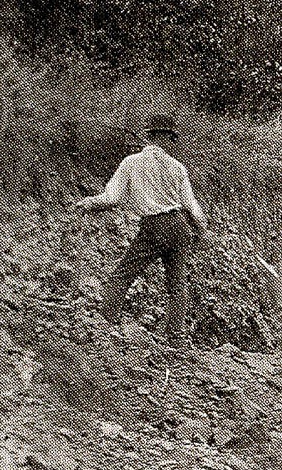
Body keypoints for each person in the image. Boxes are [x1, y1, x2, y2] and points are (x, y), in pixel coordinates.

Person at [74, 113, 207, 342]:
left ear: (149, 136)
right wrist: (202, 231)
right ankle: (174, 338)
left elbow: (111, 198)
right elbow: (192, 206)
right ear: (166, 138)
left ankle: (104, 328)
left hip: (154, 226)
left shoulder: (131, 162)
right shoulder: (178, 167)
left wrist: (88, 204)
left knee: (121, 277)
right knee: (177, 285)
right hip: (180, 226)